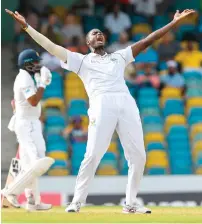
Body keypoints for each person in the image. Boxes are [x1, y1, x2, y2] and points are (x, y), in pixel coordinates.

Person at [6, 8, 196, 214]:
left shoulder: (120, 56)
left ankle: (131, 203)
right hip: (101, 105)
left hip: (126, 103)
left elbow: (149, 40)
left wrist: (174, 23)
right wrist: (27, 27)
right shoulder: (81, 61)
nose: (98, 34)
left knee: (139, 156)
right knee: (93, 154)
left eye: (100, 33)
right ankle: (77, 201)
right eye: (93, 33)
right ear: (88, 42)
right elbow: (51, 47)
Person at [3, 49, 54, 211]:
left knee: (31, 162)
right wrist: (42, 84)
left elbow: (16, 101)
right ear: (27, 64)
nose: (38, 65)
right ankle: (11, 192)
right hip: (26, 124)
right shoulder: (23, 78)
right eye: (35, 63)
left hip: (32, 123)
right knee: (37, 162)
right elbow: (33, 101)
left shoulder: (28, 77)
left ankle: (33, 201)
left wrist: (39, 81)